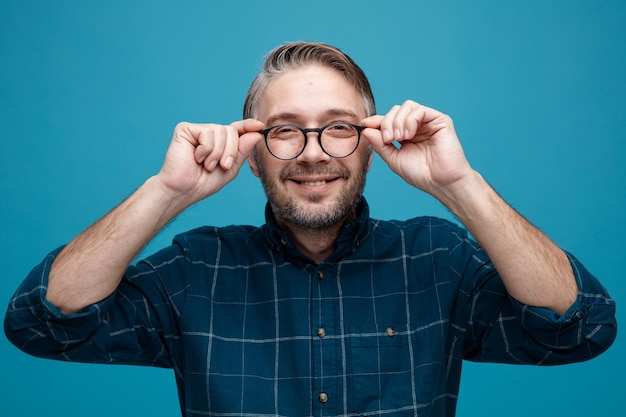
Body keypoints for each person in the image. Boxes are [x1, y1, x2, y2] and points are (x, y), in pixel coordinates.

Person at [4, 41, 617, 417]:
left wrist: (459, 185)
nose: (313, 152)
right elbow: (43, 323)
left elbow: (579, 329)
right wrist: (167, 192)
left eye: (339, 127)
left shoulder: (438, 258)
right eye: (286, 130)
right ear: (254, 153)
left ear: (372, 144)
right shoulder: (197, 270)